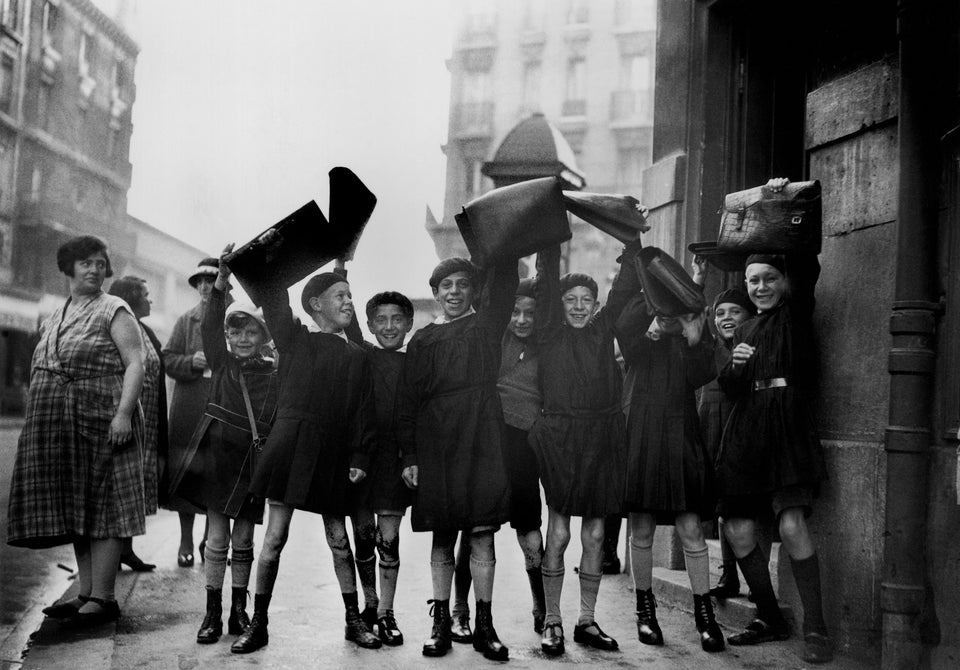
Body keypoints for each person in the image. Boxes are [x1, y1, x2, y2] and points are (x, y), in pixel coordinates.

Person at [231, 252, 376, 654]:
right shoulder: (295, 338)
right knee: (274, 538)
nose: (349, 302)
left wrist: (360, 458)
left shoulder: (357, 355)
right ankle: (258, 624)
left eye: (350, 295)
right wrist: (278, 251)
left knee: (339, 541)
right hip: (291, 447)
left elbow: (364, 413)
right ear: (315, 305)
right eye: (340, 296)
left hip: (334, 453)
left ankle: (353, 620)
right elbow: (275, 297)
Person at [717, 178, 833, 665]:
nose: (759, 287)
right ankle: (769, 614)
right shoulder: (742, 328)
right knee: (739, 528)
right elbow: (728, 387)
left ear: (783, 284)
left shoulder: (796, 313)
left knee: (790, 526)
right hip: (748, 432)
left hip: (786, 429)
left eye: (767, 279)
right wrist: (737, 365)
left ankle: (818, 628)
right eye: (752, 282)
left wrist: (781, 200)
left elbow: (805, 258)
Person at [8, 235, 145, 625]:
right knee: (77, 506)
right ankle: (85, 592)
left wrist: (122, 416)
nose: (95, 269)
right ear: (69, 267)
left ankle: (104, 598)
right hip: (61, 426)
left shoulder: (114, 308)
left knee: (106, 507)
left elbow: (135, 364)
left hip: (102, 418)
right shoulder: (57, 311)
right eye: (86, 262)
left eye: (101, 263)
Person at [397, 258, 517, 661]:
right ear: (435, 292)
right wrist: (410, 455)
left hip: (482, 434)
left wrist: (505, 245)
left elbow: (505, 281)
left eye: (462, 284)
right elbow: (407, 404)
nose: (453, 292)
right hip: (437, 441)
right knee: (443, 534)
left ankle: (485, 626)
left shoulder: (485, 325)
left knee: (482, 532)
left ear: (473, 291)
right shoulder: (422, 340)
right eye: (445, 285)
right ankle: (441, 624)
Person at [529, 239, 636, 657]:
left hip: (602, 438)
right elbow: (545, 281)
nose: (578, 306)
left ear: (595, 304)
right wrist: (549, 234)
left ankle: (586, 621)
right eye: (570, 299)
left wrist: (632, 239)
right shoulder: (550, 331)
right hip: (561, 439)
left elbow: (624, 290)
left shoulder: (603, 328)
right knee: (557, 533)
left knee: (594, 534)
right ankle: (552, 621)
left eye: (585, 300)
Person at [169, 245, 279, 645]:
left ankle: (238, 610)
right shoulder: (223, 362)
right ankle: (212, 613)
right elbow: (211, 324)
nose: (243, 338)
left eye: (252, 331)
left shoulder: (274, 374)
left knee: (244, 541)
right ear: (228, 337)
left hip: (252, 463)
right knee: (216, 539)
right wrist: (221, 282)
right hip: (217, 457)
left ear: (264, 338)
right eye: (237, 332)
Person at [617, 246, 724, 653]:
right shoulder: (637, 317)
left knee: (691, 527)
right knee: (641, 525)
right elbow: (628, 347)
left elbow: (700, 376)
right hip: (642, 427)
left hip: (680, 429)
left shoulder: (690, 325)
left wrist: (696, 338)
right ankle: (645, 613)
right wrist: (653, 331)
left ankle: (705, 617)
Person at [449, 277, 547, 641]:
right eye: (515, 312)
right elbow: (492, 288)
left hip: (525, 446)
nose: (521, 319)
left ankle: (542, 608)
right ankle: (460, 610)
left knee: (531, 533)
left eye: (530, 313)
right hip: (487, 438)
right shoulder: (494, 338)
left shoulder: (545, 345)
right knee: (474, 529)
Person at [689, 258, 769, 601]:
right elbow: (692, 311)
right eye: (721, 313)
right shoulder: (710, 347)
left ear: (748, 317)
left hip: (739, 436)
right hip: (709, 431)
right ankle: (729, 576)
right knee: (722, 511)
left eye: (734, 312)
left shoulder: (750, 347)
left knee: (743, 512)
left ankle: (756, 578)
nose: (726, 319)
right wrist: (698, 278)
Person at [343, 290, 416, 646]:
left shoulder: (415, 361)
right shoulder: (363, 354)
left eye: (397, 320)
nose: (389, 327)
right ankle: (368, 604)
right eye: (381, 321)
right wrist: (342, 269)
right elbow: (350, 321)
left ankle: (386, 613)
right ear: (370, 326)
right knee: (363, 537)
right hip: (362, 457)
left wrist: (411, 457)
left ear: (409, 324)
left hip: (395, 459)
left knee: (389, 540)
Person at [163, 258, 220, 567]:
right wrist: (189, 363)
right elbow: (168, 358)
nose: (205, 287)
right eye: (200, 281)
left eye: (211, 281)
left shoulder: (237, 318)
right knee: (188, 472)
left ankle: (212, 538)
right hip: (190, 408)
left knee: (217, 475)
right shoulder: (187, 320)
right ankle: (186, 538)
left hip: (224, 409)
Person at [108, 276, 166, 572]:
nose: (150, 300)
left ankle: (126, 550)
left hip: (149, 424)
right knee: (120, 486)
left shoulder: (144, 330)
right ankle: (112, 554)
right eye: (145, 294)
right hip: (127, 418)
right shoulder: (120, 328)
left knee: (135, 487)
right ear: (131, 299)